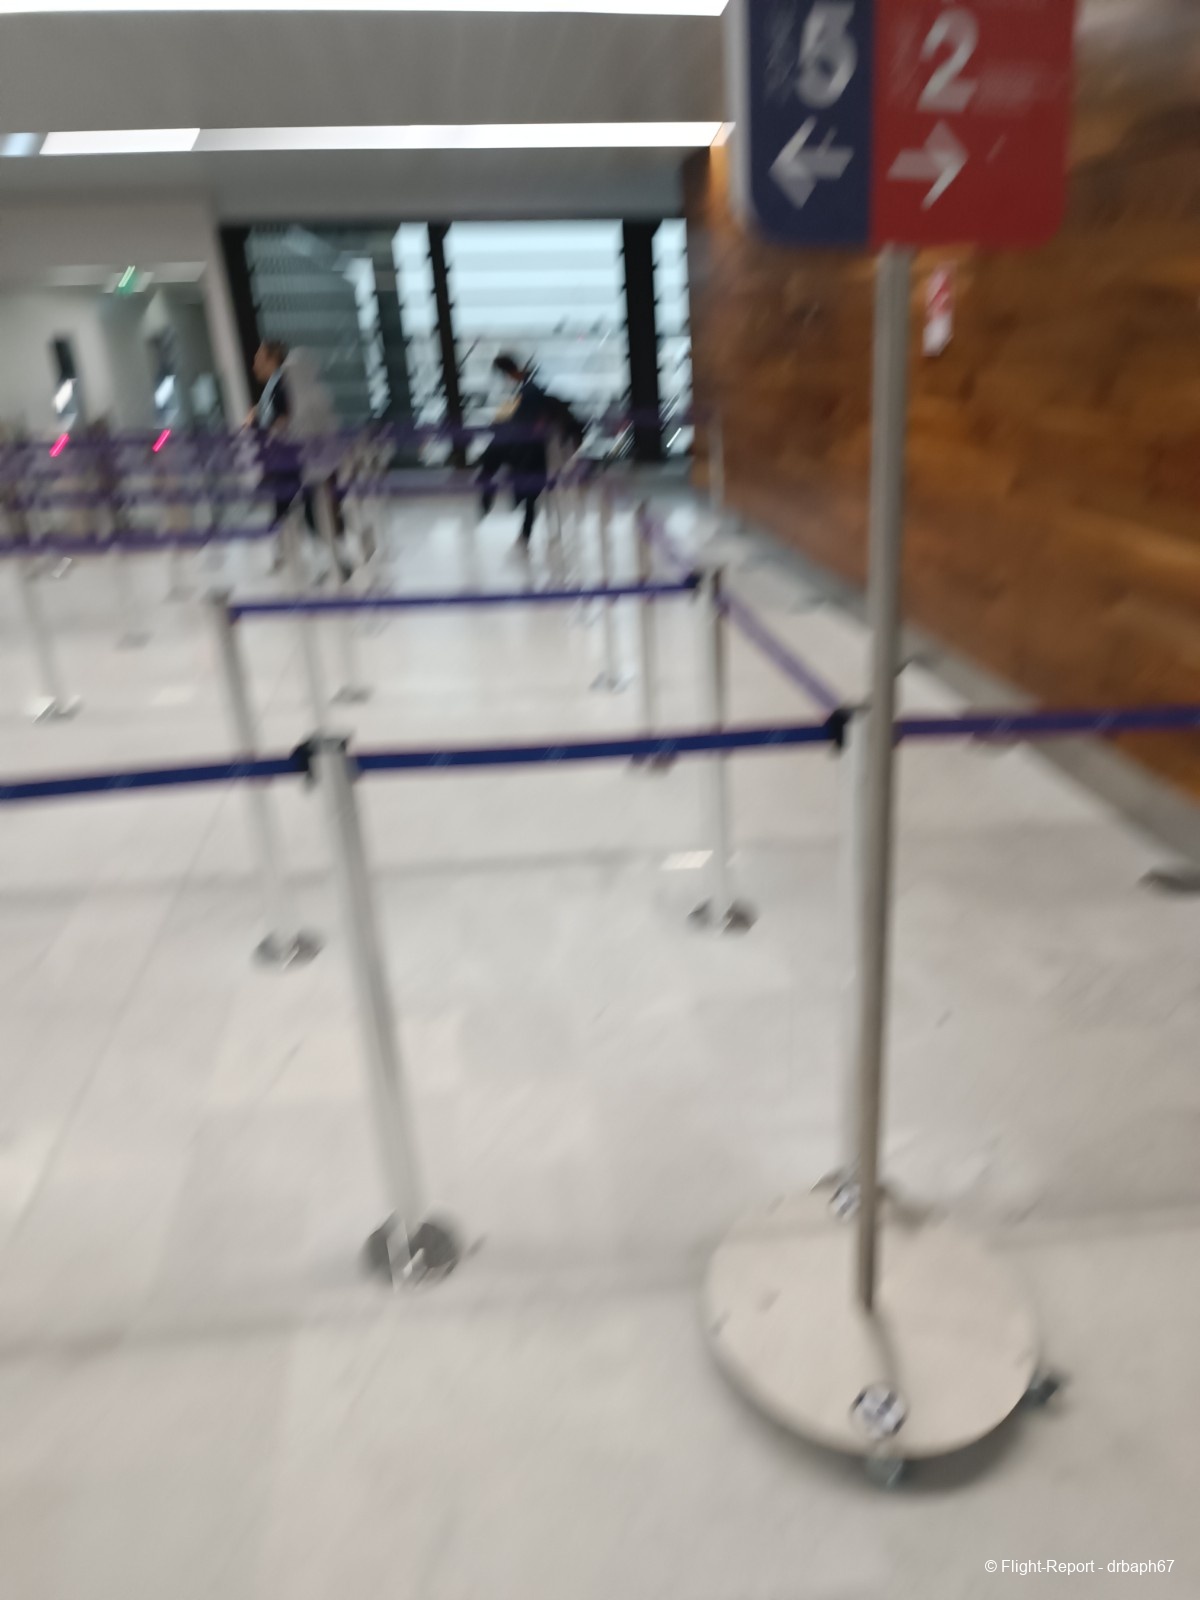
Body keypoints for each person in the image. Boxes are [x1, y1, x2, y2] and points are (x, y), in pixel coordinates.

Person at [248, 340, 351, 579]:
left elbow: (293, 427)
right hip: (309, 464)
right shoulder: (311, 394)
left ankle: (334, 562)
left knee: (316, 514)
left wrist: (269, 429)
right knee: (312, 514)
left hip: (307, 464)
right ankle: (329, 561)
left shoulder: (300, 395)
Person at [476, 354, 584, 549]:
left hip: (532, 452)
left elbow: (527, 422)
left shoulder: (529, 390)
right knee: (519, 477)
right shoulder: (530, 387)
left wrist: (505, 426)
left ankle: (491, 495)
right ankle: (520, 525)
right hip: (532, 451)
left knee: (497, 456)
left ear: (506, 373)